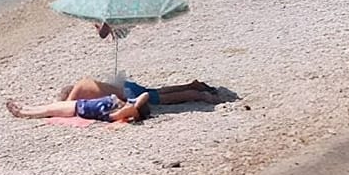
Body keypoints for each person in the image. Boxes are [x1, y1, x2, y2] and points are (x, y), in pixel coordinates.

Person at [56, 76, 225, 106]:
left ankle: (200, 95)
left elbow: (67, 107)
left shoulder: (78, 91)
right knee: (158, 92)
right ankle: (192, 85)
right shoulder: (85, 84)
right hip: (125, 86)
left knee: (164, 99)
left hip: (128, 93)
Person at [7, 92, 151, 123]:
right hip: (79, 104)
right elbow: (145, 95)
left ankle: (23, 113)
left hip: (77, 109)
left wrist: (136, 111)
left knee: (49, 110)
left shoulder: (116, 114)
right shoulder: (122, 105)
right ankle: (26, 108)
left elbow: (130, 110)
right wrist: (136, 105)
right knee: (50, 107)